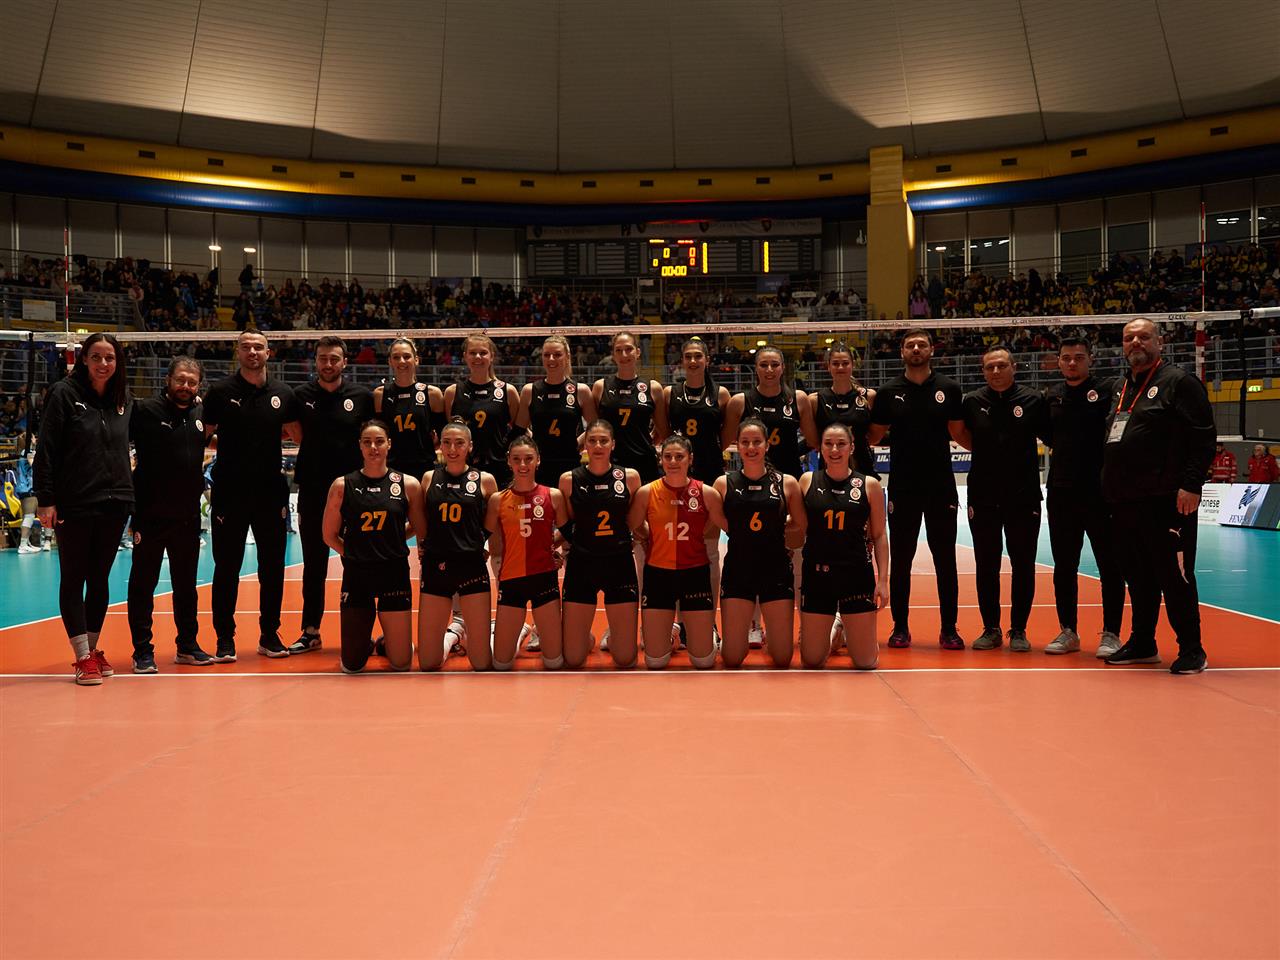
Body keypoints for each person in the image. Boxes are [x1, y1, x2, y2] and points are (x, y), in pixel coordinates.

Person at [1102, 317, 1215, 674]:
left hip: (1166, 501)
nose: (1136, 343)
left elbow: (1203, 437)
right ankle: (1143, 642)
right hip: (1124, 501)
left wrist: (1192, 485)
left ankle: (1192, 648)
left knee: (1174, 576)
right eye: (1129, 338)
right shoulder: (1121, 386)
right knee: (1137, 577)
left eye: (1144, 337)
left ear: (1160, 343)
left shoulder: (1180, 382)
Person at [34, 333, 133, 685]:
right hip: (75, 501)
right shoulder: (64, 394)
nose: (103, 364)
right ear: (85, 360)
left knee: (100, 578)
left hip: (115, 502)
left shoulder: (124, 399)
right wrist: (45, 499)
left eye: (110, 358)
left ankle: (92, 650)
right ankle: (81, 656)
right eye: (96, 357)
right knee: (74, 577)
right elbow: (46, 449)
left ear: (118, 361)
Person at [202, 329, 302, 662]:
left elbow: (299, 436)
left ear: (268, 353)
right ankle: (224, 638)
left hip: (270, 493)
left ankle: (269, 634)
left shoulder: (283, 394)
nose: (252, 352)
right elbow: (203, 436)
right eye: (246, 347)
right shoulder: (220, 392)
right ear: (238, 352)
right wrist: (231, 445)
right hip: (229, 492)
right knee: (226, 567)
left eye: (258, 347)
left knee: (272, 568)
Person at [867, 330, 966, 651]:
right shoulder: (888, 392)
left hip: (941, 487)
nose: (916, 349)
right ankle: (900, 627)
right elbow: (872, 435)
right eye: (910, 345)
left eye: (922, 344)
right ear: (902, 352)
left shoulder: (949, 389)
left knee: (945, 560)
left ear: (931, 350)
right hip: (903, 487)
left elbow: (959, 433)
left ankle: (949, 629)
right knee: (902, 560)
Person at [951, 346, 1048, 652]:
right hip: (983, 496)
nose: (995, 371)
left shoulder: (1034, 400)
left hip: (1023, 496)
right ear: (983, 371)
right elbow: (961, 435)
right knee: (986, 564)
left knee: (1023, 564)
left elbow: (1052, 435)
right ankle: (991, 628)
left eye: (1001, 366)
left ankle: (1018, 630)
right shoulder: (972, 401)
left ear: (1013, 367)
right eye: (989, 367)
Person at [1040, 337, 1125, 657]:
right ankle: (1068, 631)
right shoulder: (1052, 396)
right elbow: (1049, 436)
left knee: (1110, 564)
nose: (1072, 362)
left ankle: (1111, 634)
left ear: (1091, 358)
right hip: (1061, 492)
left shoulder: (1107, 391)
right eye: (1066, 358)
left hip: (1101, 492)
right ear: (1059, 361)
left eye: (1078, 357)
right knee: (1064, 565)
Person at [126, 357, 211, 672]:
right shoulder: (145, 411)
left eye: (192, 382)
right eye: (180, 380)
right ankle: (142, 651)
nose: (185, 386)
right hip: (150, 513)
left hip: (187, 515)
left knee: (186, 584)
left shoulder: (201, 414)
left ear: (198, 385)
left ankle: (187, 646)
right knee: (143, 584)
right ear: (168, 380)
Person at [322, 420, 426, 673]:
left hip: (394, 572)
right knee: (351, 666)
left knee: (402, 664)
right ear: (360, 446)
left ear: (389, 444)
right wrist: (353, 554)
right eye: (367, 442)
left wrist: (396, 539)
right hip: (357, 575)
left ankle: (387, 642)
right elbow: (329, 535)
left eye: (379, 441)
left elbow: (419, 527)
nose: (373, 447)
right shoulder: (342, 486)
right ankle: (366, 643)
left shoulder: (408, 484)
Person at [291, 336, 373, 654]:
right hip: (313, 492)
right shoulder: (300, 396)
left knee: (358, 563)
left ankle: (361, 632)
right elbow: (294, 433)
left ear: (344, 362)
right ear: (316, 361)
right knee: (314, 564)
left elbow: (372, 439)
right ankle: (310, 631)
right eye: (323, 358)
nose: (328, 364)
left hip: (353, 493)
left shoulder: (362, 397)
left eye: (334, 359)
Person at [627, 434, 726, 669]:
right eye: (668, 456)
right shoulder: (647, 492)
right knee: (655, 661)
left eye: (679, 457)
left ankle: (708, 635)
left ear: (690, 459)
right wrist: (648, 535)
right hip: (658, 574)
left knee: (703, 661)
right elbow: (632, 524)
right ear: (660, 459)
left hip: (695, 573)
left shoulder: (706, 493)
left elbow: (723, 524)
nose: (673, 461)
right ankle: (670, 631)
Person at [713, 418, 806, 668]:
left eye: (757, 442)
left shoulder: (787, 483)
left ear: (767, 445)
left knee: (782, 658)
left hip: (775, 570)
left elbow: (800, 525)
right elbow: (718, 522)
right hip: (738, 571)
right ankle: (728, 638)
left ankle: (770, 638)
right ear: (737, 445)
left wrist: (777, 527)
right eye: (745, 442)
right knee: (732, 658)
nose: (751, 447)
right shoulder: (723, 484)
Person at [798, 423, 888, 669]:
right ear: (820, 448)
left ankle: (854, 631)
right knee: (812, 661)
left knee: (866, 663)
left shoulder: (869, 485)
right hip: (817, 575)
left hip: (855, 574)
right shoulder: (807, 481)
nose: (834, 449)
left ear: (852, 447)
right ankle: (837, 629)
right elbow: (798, 526)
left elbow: (879, 535)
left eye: (841, 444)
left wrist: (882, 581)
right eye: (828, 444)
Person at [559, 420, 642, 669]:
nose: (597, 446)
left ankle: (615, 634)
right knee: (573, 659)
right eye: (592, 441)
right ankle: (586, 637)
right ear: (584, 445)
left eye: (603, 441)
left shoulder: (629, 478)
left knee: (625, 659)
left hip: (619, 563)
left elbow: (635, 521)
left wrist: (651, 538)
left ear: (613, 444)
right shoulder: (568, 480)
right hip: (582, 563)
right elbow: (569, 525)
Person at [417, 421, 498, 671]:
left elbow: (494, 522)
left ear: (470, 446)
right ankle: (453, 635)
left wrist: (485, 546)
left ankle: (515, 633)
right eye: (447, 443)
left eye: (459, 443)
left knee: (481, 663)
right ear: (440, 446)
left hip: (471, 566)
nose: (453, 449)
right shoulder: (429, 478)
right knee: (428, 663)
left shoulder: (485, 480)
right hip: (436, 566)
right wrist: (422, 545)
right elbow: (422, 520)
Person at [484, 437, 568, 670]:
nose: (523, 464)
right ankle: (520, 631)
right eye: (517, 459)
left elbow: (567, 531)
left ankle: (579, 637)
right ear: (508, 461)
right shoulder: (498, 500)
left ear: (538, 460)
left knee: (554, 662)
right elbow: (484, 536)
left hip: (544, 579)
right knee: (501, 664)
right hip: (511, 581)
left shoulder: (553, 495)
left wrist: (550, 547)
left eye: (528, 459)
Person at [723, 345, 817, 480]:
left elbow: (813, 441)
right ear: (756, 368)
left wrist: (792, 451)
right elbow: (724, 443)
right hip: (752, 478)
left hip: (790, 476)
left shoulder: (799, 399)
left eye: (775, 365)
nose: (769, 370)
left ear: (783, 367)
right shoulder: (739, 402)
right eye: (763, 365)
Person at [517, 334, 597, 488]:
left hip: (570, 462)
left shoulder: (581, 391)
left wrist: (577, 442)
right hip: (538, 464)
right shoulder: (529, 390)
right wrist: (534, 440)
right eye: (547, 355)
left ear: (567, 357)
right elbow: (520, 429)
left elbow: (595, 428)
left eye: (557, 354)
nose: (551, 359)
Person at [444, 333, 519, 487]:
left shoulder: (508, 391)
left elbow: (519, 431)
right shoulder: (452, 392)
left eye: (483, 353)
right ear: (465, 356)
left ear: (492, 356)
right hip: (463, 470)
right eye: (472, 353)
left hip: (500, 469)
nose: (478, 357)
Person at [593, 331, 667, 483]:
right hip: (610, 463)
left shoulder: (653, 388)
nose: (624, 354)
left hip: (644, 462)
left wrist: (647, 442)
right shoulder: (600, 387)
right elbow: (594, 428)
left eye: (628, 349)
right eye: (618, 350)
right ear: (613, 355)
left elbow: (663, 430)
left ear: (638, 352)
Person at [373, 337, 445, 483]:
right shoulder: (380, 394)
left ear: (416, 360)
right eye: (396, 357)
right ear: (390, 361)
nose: (402, 361)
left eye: (406, 356)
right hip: (390, 469)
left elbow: (443, 436)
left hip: (424, 468)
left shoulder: (432, 394)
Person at [809, 341, 877, 476]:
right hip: (828, 469)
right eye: (835, 363)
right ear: (828, 366)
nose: (840, 367)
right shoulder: (815, 400)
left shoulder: (869, 396)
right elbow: (814, 441)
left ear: (853, 365)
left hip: (863, 468)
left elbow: (875, 436)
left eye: (845, 363)